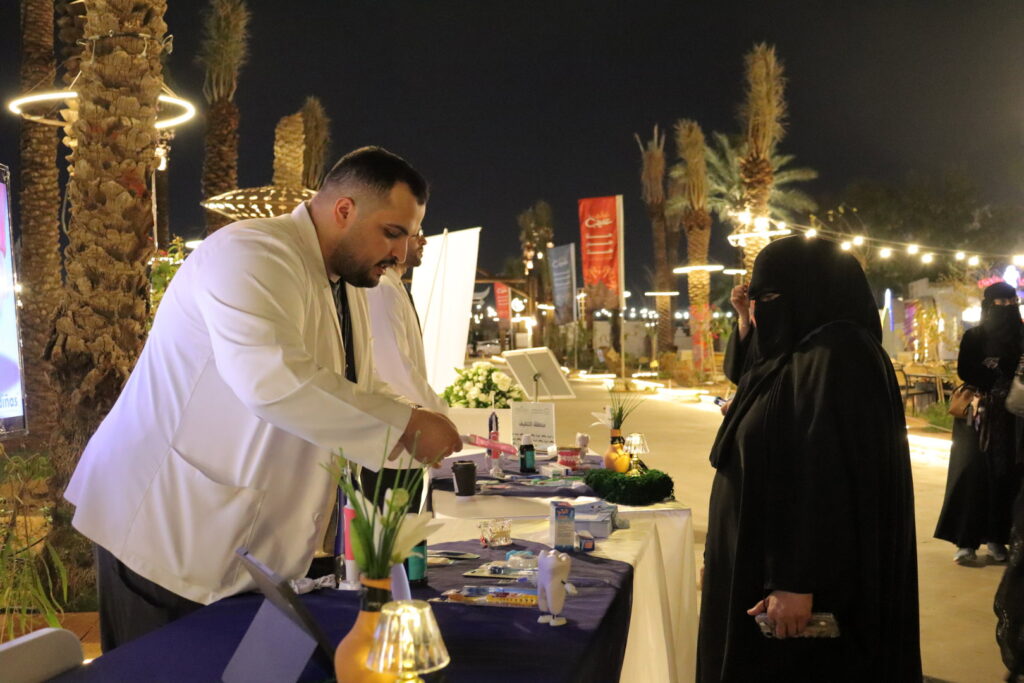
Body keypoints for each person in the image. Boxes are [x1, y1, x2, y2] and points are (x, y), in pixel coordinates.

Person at [64, 146, 462, 650]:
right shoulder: (249, 252)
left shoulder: (344, 282)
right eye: (393, 232)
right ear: (344, 210)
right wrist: (404, 425)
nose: (402, 254)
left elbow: (349, 381)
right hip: (166, 527)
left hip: (241, 542)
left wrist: (417, 415)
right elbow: (271, 381)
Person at [698, 237, 921, 682]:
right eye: (758, 300)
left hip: (797, 584)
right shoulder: (800, 353)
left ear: (811, 292)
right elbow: (750, 372)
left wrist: (796, 580)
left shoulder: (840, 357)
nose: (764, 310)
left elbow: (825, 481)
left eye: (771, 299)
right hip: (758, 560)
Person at [935, 281, 1024, 564]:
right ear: (989, 304)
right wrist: (995, 375)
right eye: (1001, 302)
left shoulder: (1022, 335)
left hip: (1013, 416)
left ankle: (999, 539)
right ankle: (966, 540)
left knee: (1006, 476)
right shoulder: (974, 336)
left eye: (1012, 302)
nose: (1008, 307)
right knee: (970, 473)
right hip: (978, 414)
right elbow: (966, 370)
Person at [363, 227, 447, 508]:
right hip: (395, 441)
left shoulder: (394, 286)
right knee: (393, 543)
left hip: (407, 436)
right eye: (416, 233)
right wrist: (439, 416)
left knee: (408, 536)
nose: (424, 240)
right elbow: (394, 367)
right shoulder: (383, 289)